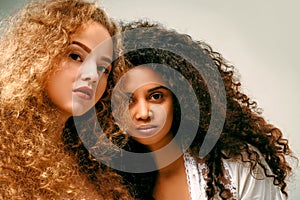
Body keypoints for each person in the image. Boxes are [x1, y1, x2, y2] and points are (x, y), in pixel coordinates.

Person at [109, 21, 297, 200]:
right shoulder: (111, 181)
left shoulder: (235, 165)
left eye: (156, 96)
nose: (143, 113)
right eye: (127, 100)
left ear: (179, 97)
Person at [0, 0, 131, 199]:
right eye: (75, 56)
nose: (92, 76)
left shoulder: (91, 163)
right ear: (37, 54)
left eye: (102, 68)